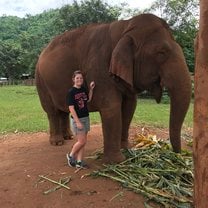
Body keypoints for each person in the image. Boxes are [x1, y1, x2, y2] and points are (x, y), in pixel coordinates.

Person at [66, 70, 95, 168]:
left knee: (83, 141)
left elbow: (88, 99)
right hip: (77, 120)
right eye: (77, 78)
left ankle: (79, 162)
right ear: (73, 79)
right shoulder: (71, 92)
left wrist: (91, 89)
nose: (79, 80)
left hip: (85, 117)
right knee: (81, 141)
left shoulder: (83, 89)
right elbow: (71, 108)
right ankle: (70, 156)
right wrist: (77, 122)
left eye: (81, 78)